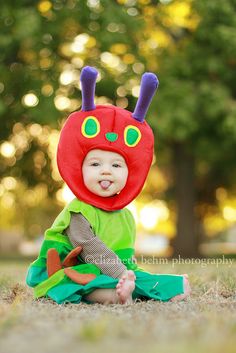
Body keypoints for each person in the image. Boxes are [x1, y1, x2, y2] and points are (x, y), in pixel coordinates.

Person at [26, 66, 191, 304]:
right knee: (84, 285)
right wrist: (121, 274)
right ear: (80, 170)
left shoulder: (125, 215)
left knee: (141, 279)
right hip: (77, 269)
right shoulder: (78, 212)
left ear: (129, 173)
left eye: (116, 166)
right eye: (95, 164)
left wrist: (127, 274)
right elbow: (89, 248)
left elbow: (127, 260)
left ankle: (168, 287)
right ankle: (116, 295)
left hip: (118, 273)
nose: (105, 170)